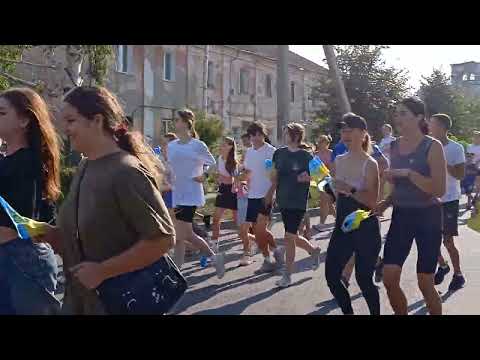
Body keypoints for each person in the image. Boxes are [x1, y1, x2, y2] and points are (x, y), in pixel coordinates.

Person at [38, 86, 176, 315]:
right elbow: (91, 238)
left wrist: (103, 271)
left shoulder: (126, 171)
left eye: (71, 120)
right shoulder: (85, 166)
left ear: (97, 120)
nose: (65, 129)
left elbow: (162, 239)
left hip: (119, 304)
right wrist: (54, 236)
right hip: (80, 302)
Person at [376, 96, 447, 315]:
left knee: (425, 282)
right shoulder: (395, 145)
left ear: (419, 117)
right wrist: (385, 203)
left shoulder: (432, 146)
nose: (398, 117)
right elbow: (399, 186)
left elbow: (439, 190)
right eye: (396, 113)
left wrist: (409, 173)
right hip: (402, 215)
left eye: (403, 113)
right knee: (389, 278)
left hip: (428, 217)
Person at [0, 87, 61, 315]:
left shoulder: (28, 162)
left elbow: (18, 225)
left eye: (2, 112)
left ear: (24, 120)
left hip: (22, 261)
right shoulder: (8, 161)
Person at [325, 113, 381, 315]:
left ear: (363, 133)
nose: (345, 134)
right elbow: (337, 195)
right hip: (343, 225)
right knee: (332, 277)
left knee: (364, 279)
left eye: (350, 130)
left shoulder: (370, 163)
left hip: (365, 225)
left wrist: (349, 188)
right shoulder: (338, 160)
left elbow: (372, 202)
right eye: (343, 130)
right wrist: (325, 187)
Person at [167, 109, 225, 278]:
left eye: (177, 119)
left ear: (186, 123)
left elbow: (212, 163)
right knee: (180, 236)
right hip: (176, 193)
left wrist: (203, 175)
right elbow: (170, 167)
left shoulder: (197, 145)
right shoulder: (171, 146)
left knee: (185, 234)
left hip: (191, 194)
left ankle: (213, 258)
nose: (174, 122)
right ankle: (178, 272)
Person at [266, 123, 322, 288]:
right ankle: (313, 251)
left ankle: (287, 275)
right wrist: (270, 192)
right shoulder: (279, 153)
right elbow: (274, 177)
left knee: (289, 238)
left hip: (298, 202)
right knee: (293, 237)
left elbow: (321, 176)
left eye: (286, 133)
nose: (284, 135)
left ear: (296, 136)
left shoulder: (307, 156)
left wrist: (309, 179)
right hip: (283, 200)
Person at [237, 121, 282, 273]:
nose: (255, 138)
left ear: (263, 135)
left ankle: (272, 256)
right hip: (252, 195)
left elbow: (275, 176)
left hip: (266, 194)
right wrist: (242, 178)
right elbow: (248, 172)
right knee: (257, 231)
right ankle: (271, 255)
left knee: (261, 229)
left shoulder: (271, 151)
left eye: (258, 134)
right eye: (252, 135)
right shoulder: (249, 152)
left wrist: (271, 194)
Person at [428, 113, 466, 291]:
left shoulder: (455, 148)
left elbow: (460, 175)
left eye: (432, 124)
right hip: (430, 198)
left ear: (442, 127)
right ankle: (443, 266)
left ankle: (458, 275)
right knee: (428, 239)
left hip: (449, 198)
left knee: (447, 241)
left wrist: (443, 162)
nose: (429, 126)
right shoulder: (427, 146)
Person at [211, 137, 238, 251]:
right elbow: (216, 173)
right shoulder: (219, 158)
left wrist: (226, 180)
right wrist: (217, 178)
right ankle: (214, 243)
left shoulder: (233, 162)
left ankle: (251, 238)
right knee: (216, 218)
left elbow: (236, 180)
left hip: (232, 191)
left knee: (238, 222)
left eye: (223, 145)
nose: (221, 147)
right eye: (220, 144)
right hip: (222, 190)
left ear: (230, 147)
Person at [314, 135, 335, 229]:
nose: (321, 144)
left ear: (327, 143)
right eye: (320, 142)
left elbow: (332, 168)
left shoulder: (331, 153)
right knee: (327, 202)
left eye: (323, 142)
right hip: (319, 180)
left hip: (328, 179)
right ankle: (338, 218)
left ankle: (322, 222)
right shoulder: (316, 154)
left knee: (325, 201)